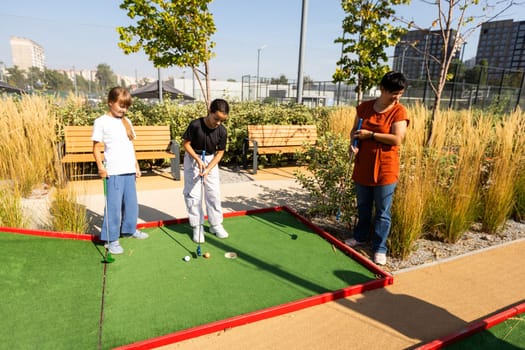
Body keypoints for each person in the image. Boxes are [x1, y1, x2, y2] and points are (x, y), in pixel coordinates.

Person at [344, 71, 409, 266]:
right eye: (393, 93)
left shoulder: (399, 112)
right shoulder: (364, 108)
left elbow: (398, 139)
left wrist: (370, 135)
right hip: (363, 164)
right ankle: (360, 236)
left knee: (382, 210)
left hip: (386, 168)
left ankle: (380, 247)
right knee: (363, 206)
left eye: (400, 93)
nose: (397, 97)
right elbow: (354, 132)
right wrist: (353, 143)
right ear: (382, 89)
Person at [92, 86, 149, 255]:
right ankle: (111, 239)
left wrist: (136, 166)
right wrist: (100, 167)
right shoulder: (101, 121)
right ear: (110, 103)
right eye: (121, 105)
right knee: (114, 207)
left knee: (131, 205)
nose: (124, 109)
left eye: (126, 106)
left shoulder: (127, 122)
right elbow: (96, 148)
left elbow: (130, 146)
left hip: (128, 170)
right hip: (114, 172)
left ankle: (129, 230)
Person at [182, 98, 230, 243]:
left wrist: (209, 168)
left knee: (213, 193)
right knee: (193, 194)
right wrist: (197, 159)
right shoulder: (196, 125)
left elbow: (220, 152)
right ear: (210, 111)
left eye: (222, 120)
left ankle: (215, 224)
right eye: (216, 118)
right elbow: (186, 144)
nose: (218, 123)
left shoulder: (222, 130)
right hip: (193, 158)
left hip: (210, 160)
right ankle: (198, 226)